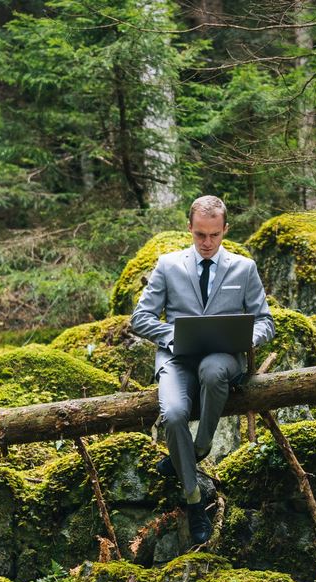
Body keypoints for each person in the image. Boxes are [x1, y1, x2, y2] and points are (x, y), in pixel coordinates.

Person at [131, 195, 276, 544]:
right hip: (176, 358)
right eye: (200, 235)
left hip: (223, 357)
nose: (207, 242)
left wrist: (245, 339)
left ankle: (199, 448)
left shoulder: (244, 268)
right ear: (189, 229)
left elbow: (266, 322)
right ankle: (194, 498)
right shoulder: (168, 265)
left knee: (212, 370)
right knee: (173, 414)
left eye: (214, 235)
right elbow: (140, 318)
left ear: (225, 229)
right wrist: (173, 336)